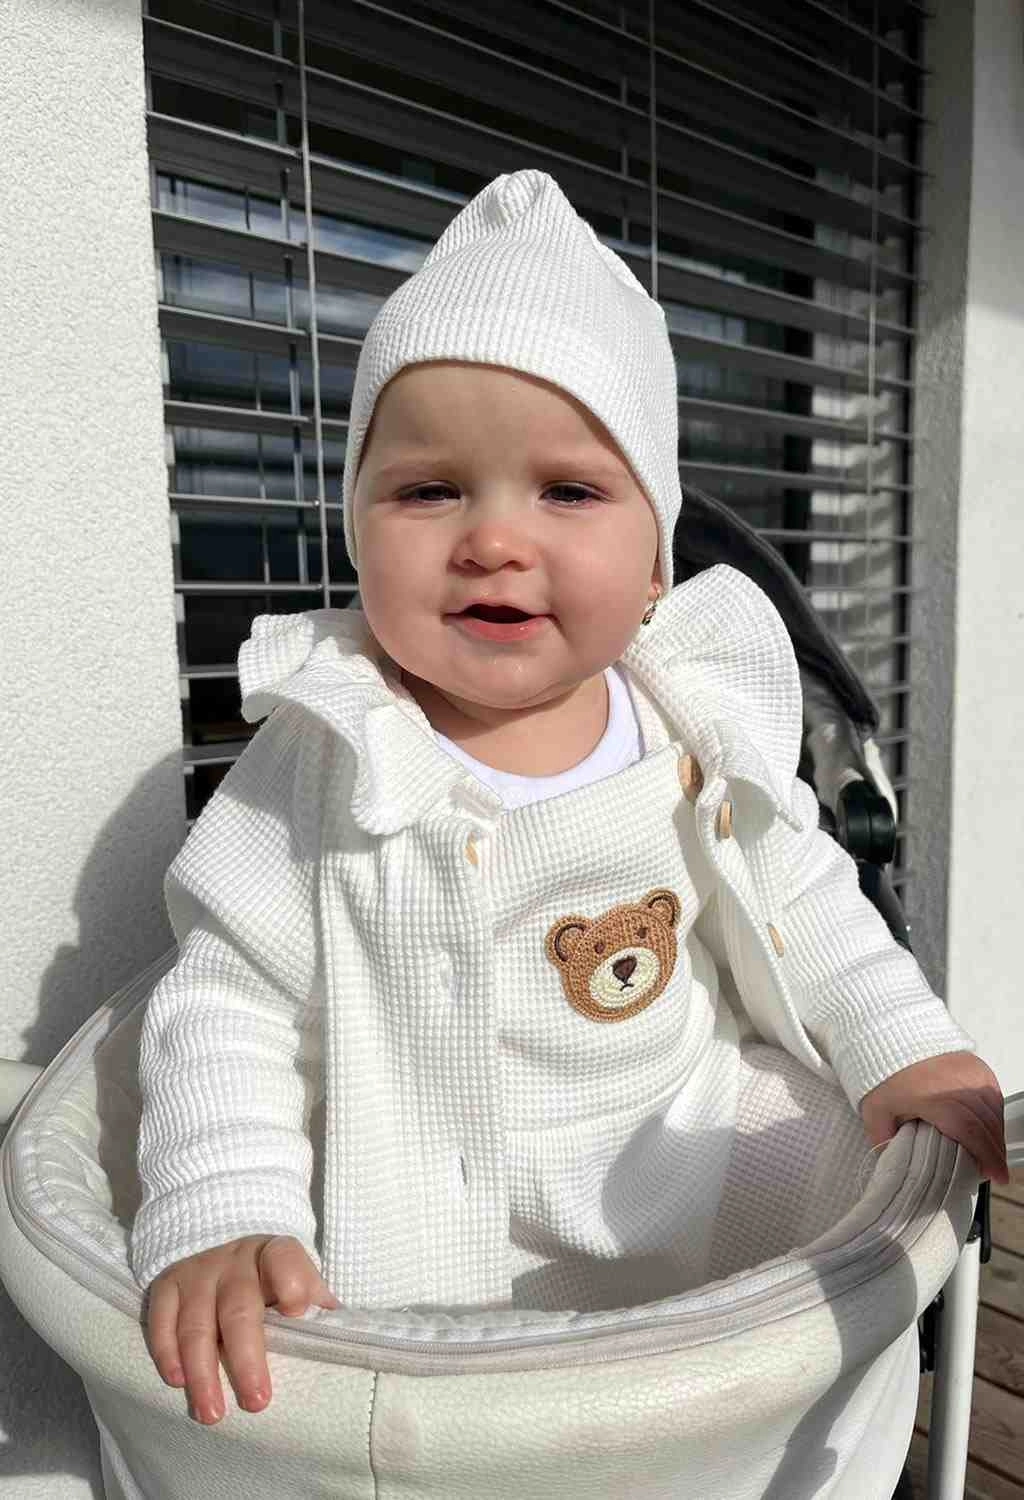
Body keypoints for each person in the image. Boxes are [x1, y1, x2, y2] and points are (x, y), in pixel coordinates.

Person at [129, 169, 1008, 1429]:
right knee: (399, 1400)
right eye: (429, 490)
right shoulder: (331, 748)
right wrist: (223, 1198)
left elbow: (805, 896)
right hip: (417, 1181)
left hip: (678, 1143)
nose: (493, 539)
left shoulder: (684, 719)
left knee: (861, 1190)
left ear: (655, 566)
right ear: (355, 527)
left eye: (569, 492)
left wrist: (898, 1042)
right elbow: (228, 999)